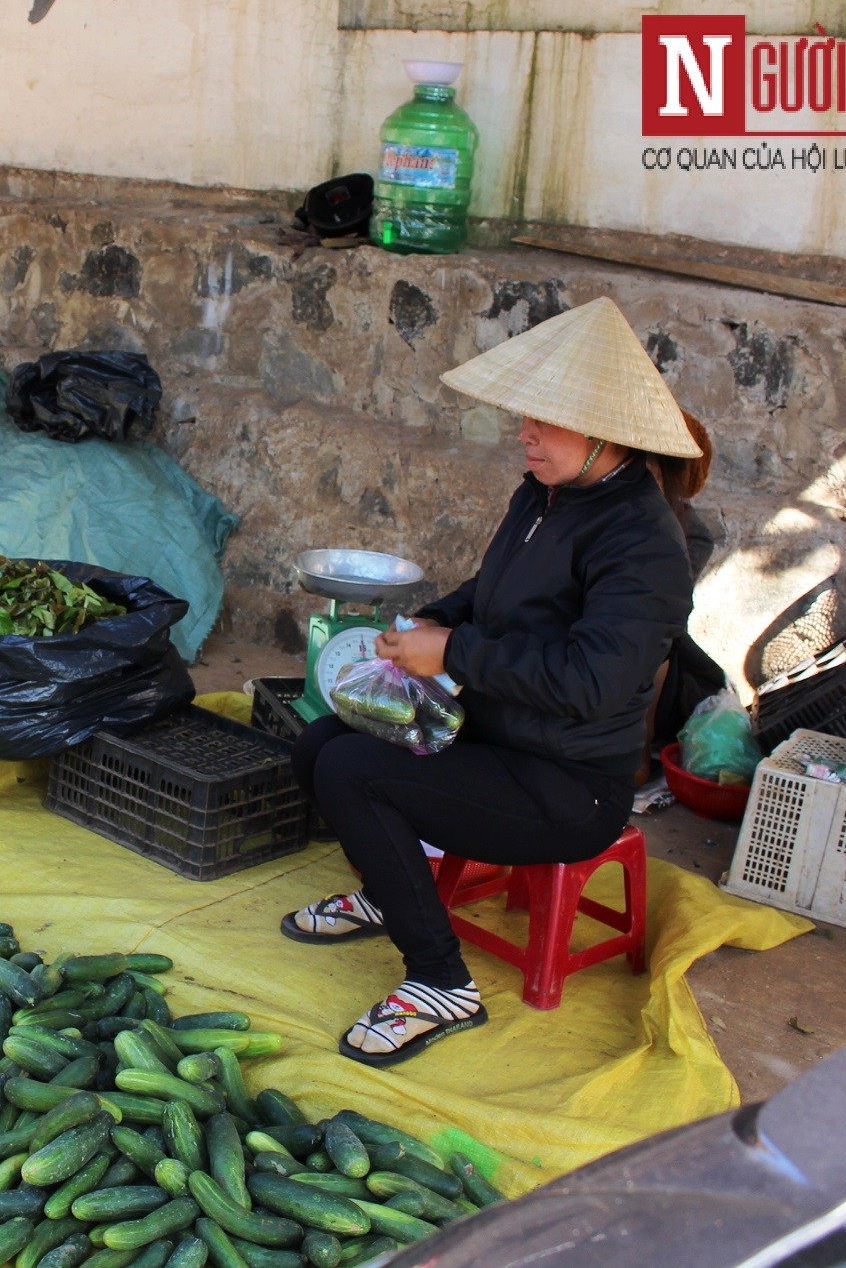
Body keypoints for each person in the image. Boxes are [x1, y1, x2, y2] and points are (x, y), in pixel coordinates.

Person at [280, 297, 702, 1067]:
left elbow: (592, 682)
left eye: (543, 419)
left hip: (570, 783)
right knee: (319, 743)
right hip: (503, 732)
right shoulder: (545, 493)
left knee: (354, 771)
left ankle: (441, 981)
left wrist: (456, 655)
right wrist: (430, 625)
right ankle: (389, 887)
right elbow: (492, 587)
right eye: (524, 416)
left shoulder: (644, 544)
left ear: (605, 430)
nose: (524, 433)